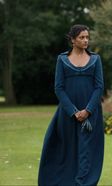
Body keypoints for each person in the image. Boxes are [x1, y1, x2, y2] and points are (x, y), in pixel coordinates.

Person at [38, 24, 104, 186]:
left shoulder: (96, 59)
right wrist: (74, 112)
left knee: (87, 150)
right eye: (82, 37)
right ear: (73, 40)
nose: (85, 40)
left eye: (87, 37)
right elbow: (58, 88)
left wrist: (87, 111)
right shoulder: (62, 59)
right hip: (67, 113)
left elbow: (99, 87)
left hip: (91, 113)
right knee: (65, 149)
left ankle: (84, 182)